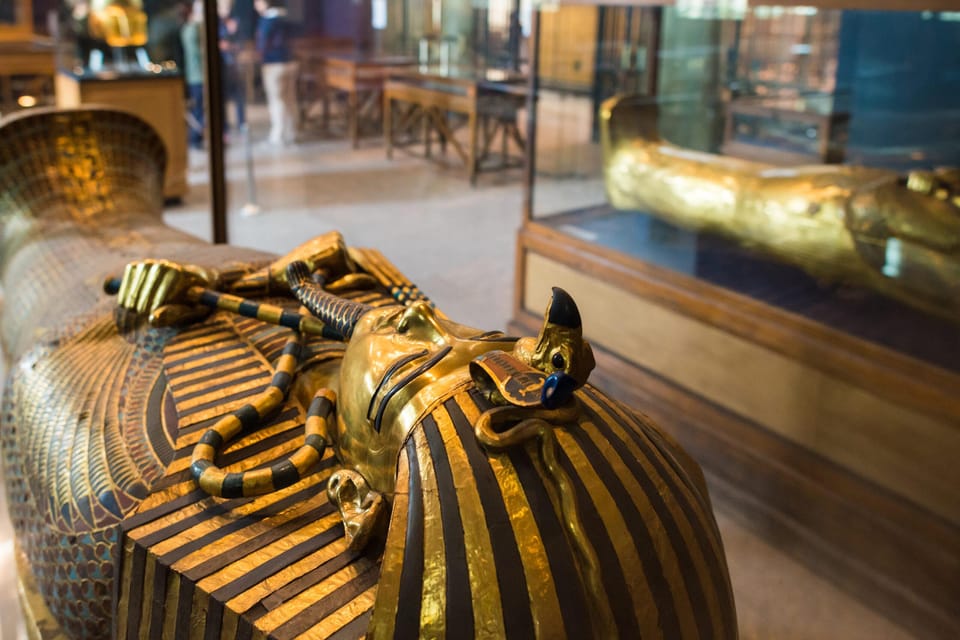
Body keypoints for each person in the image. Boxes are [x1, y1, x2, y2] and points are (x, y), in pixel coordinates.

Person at [254, 0, 298, 146]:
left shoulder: (268, 21)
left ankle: (278, 135)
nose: (255, 5)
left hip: (274, 64)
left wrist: (260, 56)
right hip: (290, 62)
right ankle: (291, 133)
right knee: (289, 99)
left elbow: (263, 43)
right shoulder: (285, 18)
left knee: (277, 100)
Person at [180, 0, 204, 149]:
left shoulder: (192, 28)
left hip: (196, 75)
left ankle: (197, 138)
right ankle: (195, 138)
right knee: (198, 109)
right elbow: (197, 53)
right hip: (198, 76)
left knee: (199, 109)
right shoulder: (192, 29)